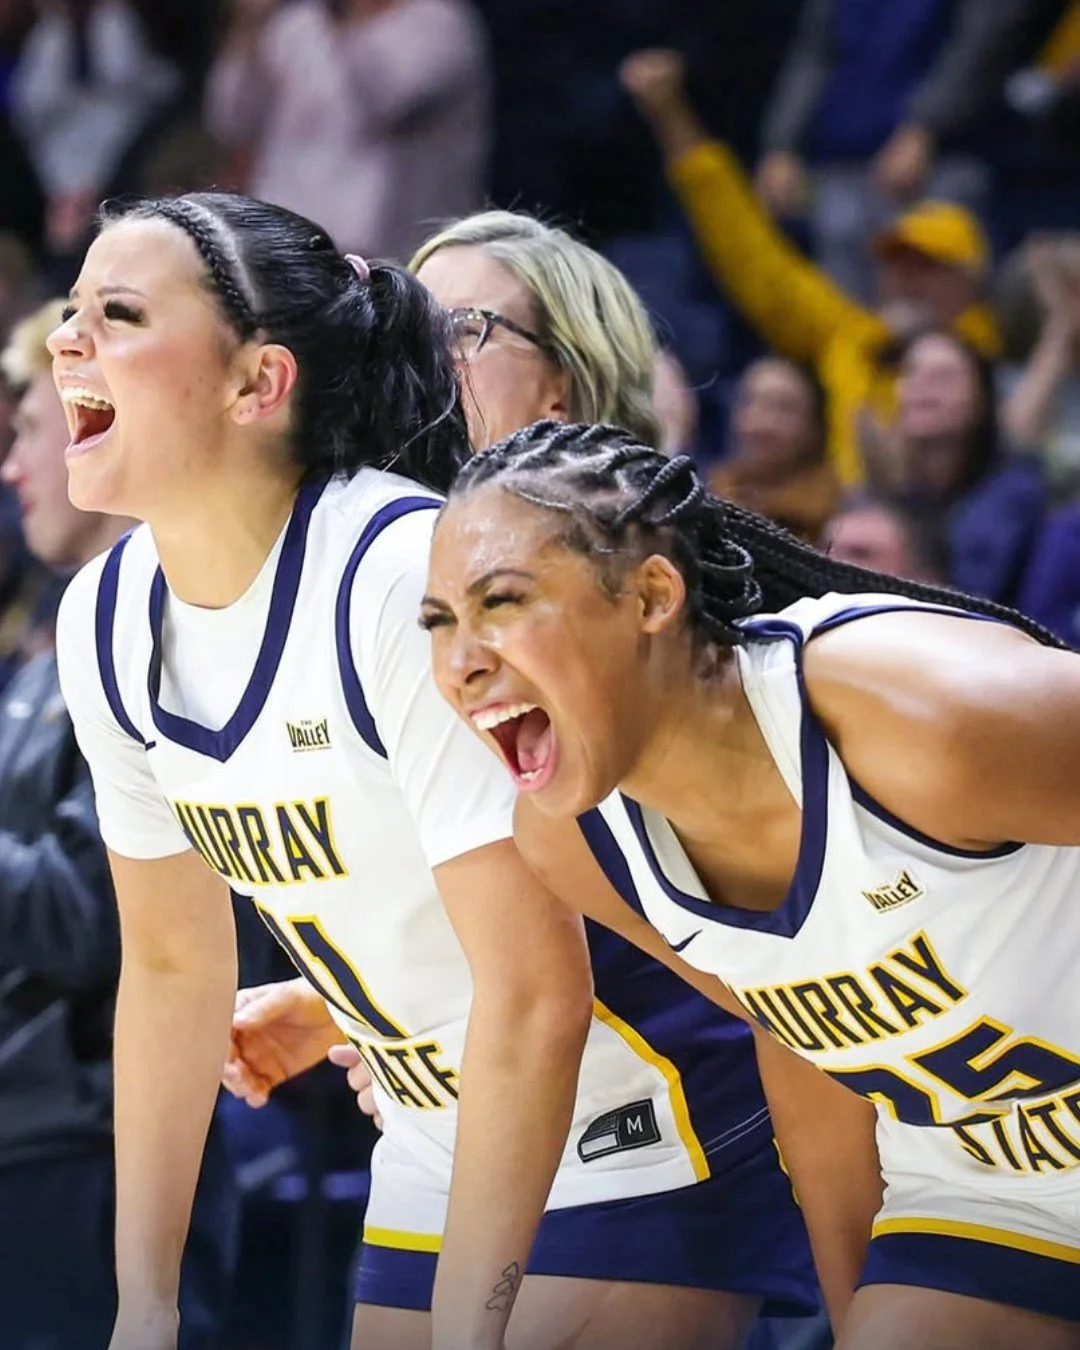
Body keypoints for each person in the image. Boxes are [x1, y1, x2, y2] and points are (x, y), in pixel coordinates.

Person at [50, 194, 813, 1350]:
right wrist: (143, 1307)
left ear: (259, 384)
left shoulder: (402, 574)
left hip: (632, 1099)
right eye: (70, 310)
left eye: (116, 312)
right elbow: (167, 965)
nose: (65, 340)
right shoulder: (102, 620)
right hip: (430, 1118)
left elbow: (535, 986)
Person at [421, 416, 1080, 1349]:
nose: (461, 664)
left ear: (651, 594)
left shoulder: (921, 715)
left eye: (504, 602)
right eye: (440, 622)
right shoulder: (575, 844)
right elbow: (808, 1048)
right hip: (988, 1197)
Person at [0, 298, 236, 1349]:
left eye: (27, 433)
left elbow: (93, 921)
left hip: (88, 1152)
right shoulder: (53, 644)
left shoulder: (167, 637)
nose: (11, 469)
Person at [618, 46, 999, 488]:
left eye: (928, 266)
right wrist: (672, 117)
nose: (906, 281)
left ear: (970, 283)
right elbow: (751, 257)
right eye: (896, 264)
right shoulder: (853, 338)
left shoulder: (988, 362)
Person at [204, 0, 489, 261]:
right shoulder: (300, 23)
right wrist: (250, 27)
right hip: (285, 242)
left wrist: (342, 19)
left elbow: (386, 101)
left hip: (388, 257)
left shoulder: (440, 24)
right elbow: (231, 121)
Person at [888, 328, 1045, 604]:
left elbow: (976, 595)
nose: (921, 384)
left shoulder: (1016, 492)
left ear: (981, 400)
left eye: (944, 376)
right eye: (910, 372)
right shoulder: (877, 489)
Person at [709, 356, 839, 544]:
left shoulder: (837, 517)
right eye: (749, 402)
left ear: (815, 428)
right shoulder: (709, 499)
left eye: (784, 408)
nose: (760, 422)